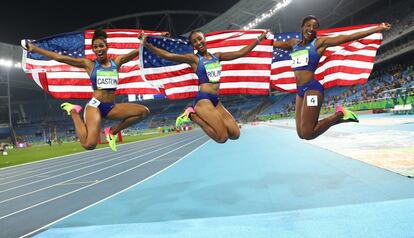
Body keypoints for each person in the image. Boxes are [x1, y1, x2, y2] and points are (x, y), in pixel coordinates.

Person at [22, 30, 149, 151]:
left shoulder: (117, 61)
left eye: (101, 46)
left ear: (107, 47)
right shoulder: (89, 64)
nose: (98, 49)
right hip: (96, 106)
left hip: (111, 107)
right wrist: (35, 49)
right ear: (93, 49)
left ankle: (112, 132)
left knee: (143, 112)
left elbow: (140, 50)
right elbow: (60, 58)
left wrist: (155, 40)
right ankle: (74, 111)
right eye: (95, 47)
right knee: (89, 144)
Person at [272, 16, 391, 140]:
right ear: (302, 27)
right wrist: (259, 40)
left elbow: (348, 37)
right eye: (308, 25)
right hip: (300, 91)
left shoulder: (319, 43)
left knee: (308, 134)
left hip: (312, 89)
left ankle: (340, 114)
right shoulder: (293, 43)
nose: (311, 29)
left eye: (315, 27)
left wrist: (378, 28)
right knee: (301, 134)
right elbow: (272, 44)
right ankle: (342, 117)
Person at [140, 30, 269, 143]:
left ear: (204, 39)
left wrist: (258, 39)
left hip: (215, 100)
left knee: (235, 134)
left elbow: (240, 53)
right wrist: (147, 45)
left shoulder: (217, 56)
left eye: (200, 39)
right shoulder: (194, 59)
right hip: (203, 99)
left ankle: (193, 114)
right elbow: (168, 56)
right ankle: (192, 115)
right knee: (222, 138)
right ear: (193, 45)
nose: (198, 42)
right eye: (194, 41)